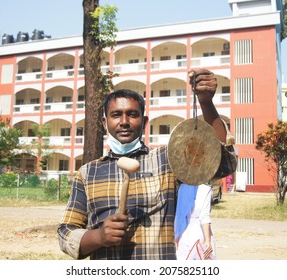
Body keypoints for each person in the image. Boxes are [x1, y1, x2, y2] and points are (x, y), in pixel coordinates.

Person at [57, 68, 237, 260]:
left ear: (143, 122)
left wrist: (206, 103)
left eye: (132, 114)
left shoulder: (166, 160)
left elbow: (222, 164)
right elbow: (66, 232)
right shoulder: (88, 173)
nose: (124, 121)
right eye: (116, 115)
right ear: (104, 122)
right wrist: (98, 237)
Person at [175, 183, 216, 260]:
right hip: (199, 233)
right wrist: (208, 240)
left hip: (183, 233)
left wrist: (176, 236)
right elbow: (204, 216)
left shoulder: (182, 188)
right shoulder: (205, 189)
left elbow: (179, 214)